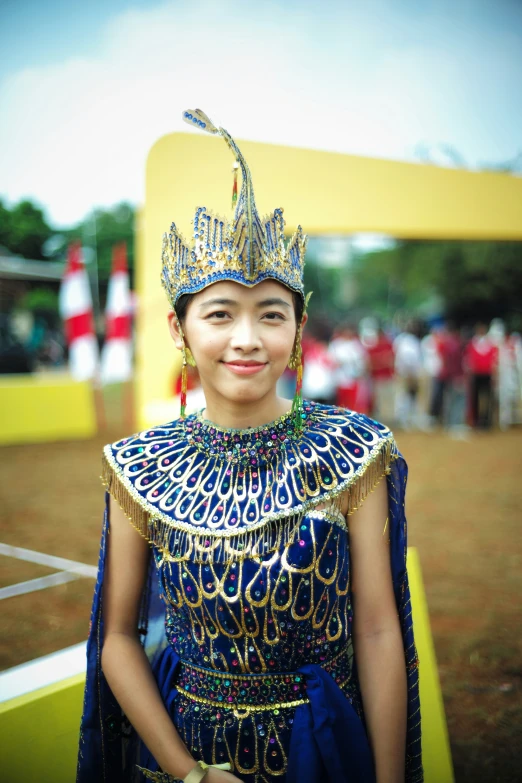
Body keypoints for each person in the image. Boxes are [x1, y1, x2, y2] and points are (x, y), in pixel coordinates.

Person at [77, 108, 422, 783]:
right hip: (186, 745)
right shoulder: (137, 468)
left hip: (321, 747)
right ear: (179, 330)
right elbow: (118, 637)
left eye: (271, 313)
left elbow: (379, 631)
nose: (246, 338)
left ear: (297, 330)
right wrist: (190, 773)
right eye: (219, 313)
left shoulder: (357, 452)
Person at [464, 322, 497, 429]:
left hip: (487, 374)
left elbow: (494, 361)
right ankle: (476, 420)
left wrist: (495, 375)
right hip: (476, 374)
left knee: (488, 398)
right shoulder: (472, 343)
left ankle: (487, 421)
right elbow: (468, 360)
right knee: (475, 398)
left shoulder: (490, 344)